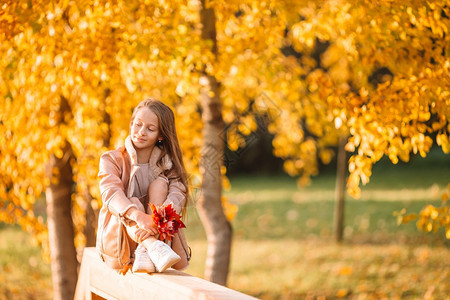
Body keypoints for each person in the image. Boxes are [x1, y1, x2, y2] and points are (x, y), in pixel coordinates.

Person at [96, 98, 190, 274]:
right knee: (131, 201)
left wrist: (158, 219)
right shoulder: (111, 159)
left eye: (150, 129)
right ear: (131, 123)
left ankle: (145, 251)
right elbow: (110, 193)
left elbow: (178, 193)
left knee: (161, 184)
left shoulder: (168, 163)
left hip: (159, 231)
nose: (141, 132)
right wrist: (138, 216)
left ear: (160, 135)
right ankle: (152, 246)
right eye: (137, 124)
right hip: (122, 239)